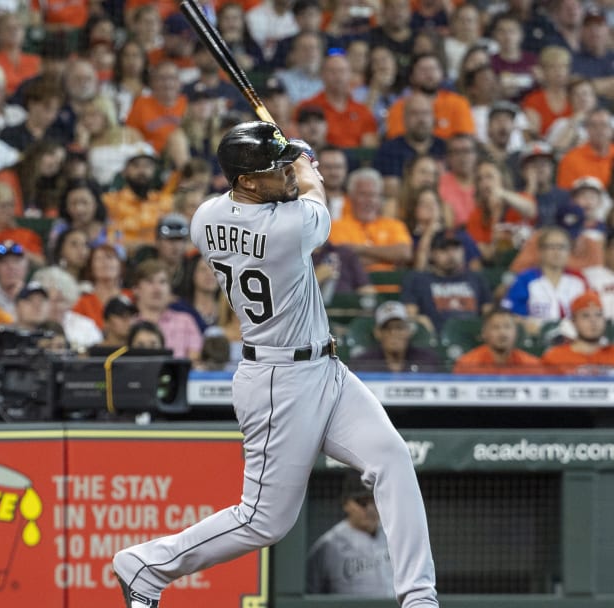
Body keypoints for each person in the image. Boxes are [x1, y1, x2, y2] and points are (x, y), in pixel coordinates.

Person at [114, 121, 439, 608]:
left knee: (392, 459)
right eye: (274, 169)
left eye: (285, 166)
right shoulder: (287, 227)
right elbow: (311, 194)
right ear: (245, 180)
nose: (286, 172)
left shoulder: (206, 216)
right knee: (264, 520)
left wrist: (284, 155)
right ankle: (148, 564)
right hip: (277, 381)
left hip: (325, 369)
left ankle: (418, 598)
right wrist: (306, 164)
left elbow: (285, 186)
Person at [307, 472, 394, 597]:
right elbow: (310, 593)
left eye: (375, 500)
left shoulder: (394, 534)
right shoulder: (329, 546)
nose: (370, 509)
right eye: (362, 502)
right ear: (346, 504)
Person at [502, 226, 589, 335]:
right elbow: (511, 315)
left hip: (574, 339)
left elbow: (591, 311)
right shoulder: (525, 279)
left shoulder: (579, 279)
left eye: (562, 247)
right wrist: (525, 323)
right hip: (536, 339)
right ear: (540, 251)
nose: (557, 252)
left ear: (569, 251)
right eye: (551, 247)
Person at [402, 230, 492, 334]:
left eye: (455, 249)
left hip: (472, 337)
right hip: (436, 338)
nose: (451, 255)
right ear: (432, 254)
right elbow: (409, 314)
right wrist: (419, 321)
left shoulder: (476, 278)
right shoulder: (418, 280)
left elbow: (489, 313)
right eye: (444, 250)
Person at [452, 308, 545, 374]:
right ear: (484, 333)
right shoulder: (467, 365)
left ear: (516, 332)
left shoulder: (532, 365)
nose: (502, 332)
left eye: (507, 327)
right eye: (496, 327)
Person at [540, 290, 614, 374]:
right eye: (585, 316)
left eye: (598, 315)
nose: (593, 321)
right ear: (573, 321)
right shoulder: (555, 357)